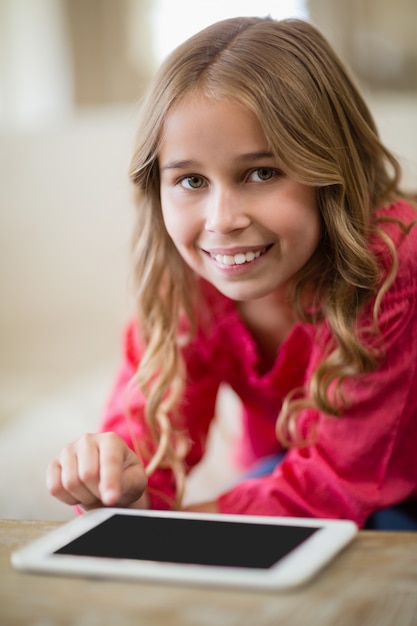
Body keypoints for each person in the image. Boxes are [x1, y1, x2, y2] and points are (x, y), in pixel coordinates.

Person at [46, 16, 417, 529]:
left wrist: (175, 529)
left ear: (330, 169)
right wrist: (121, 480)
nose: (223, 220)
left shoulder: (392, 263)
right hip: (286, 468)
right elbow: (152, 441)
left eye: (262, 173)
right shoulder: (184, 281)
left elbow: (339, 484)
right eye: (192, 180)